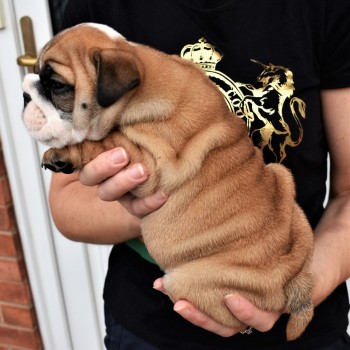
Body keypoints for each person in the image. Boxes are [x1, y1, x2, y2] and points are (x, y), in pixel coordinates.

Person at [49, 0, 350, 349]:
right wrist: (174, 204)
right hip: (151, 323)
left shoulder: (326, 10)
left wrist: (300, 287)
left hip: (297, 301)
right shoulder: (99, 10)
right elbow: (67, 200)